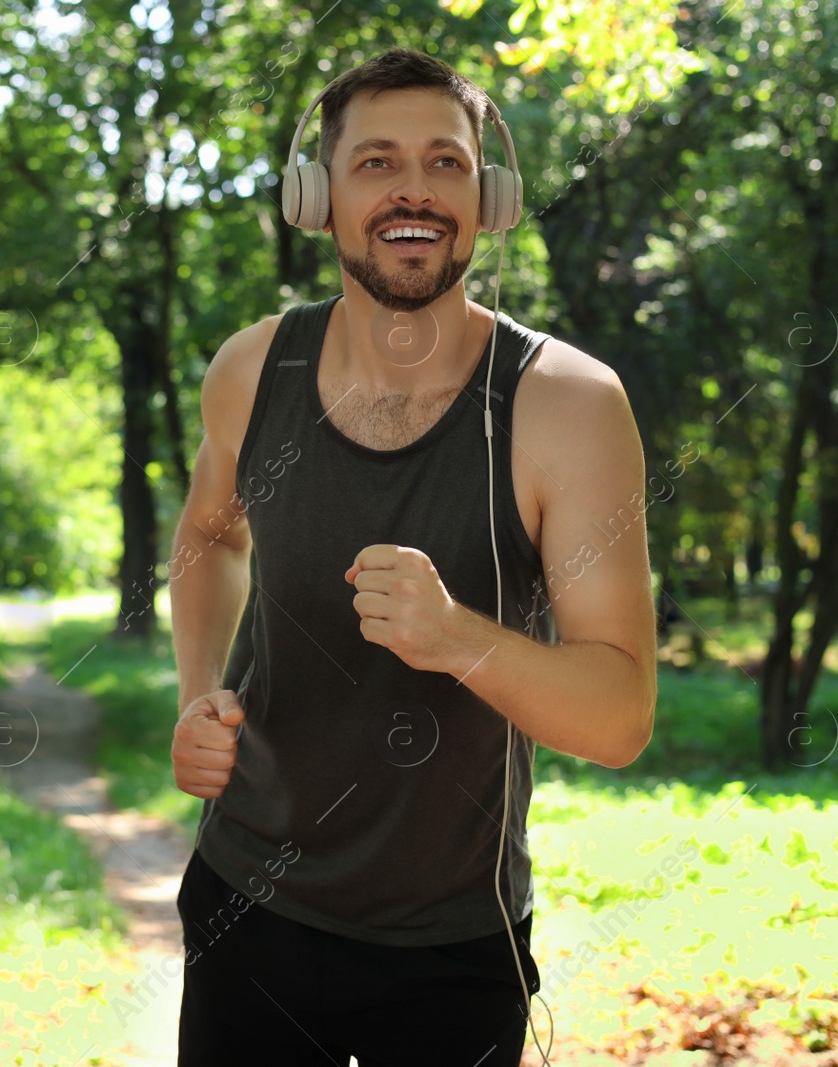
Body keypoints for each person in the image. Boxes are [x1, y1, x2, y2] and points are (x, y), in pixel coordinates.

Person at [166, 47, 658, 1065]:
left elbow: (618, 719)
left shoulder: (567, 404)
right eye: (376, 162)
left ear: (490, 196)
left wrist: (457, 639)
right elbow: (210, 534)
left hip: (452, 943)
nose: (413, 190)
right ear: (318, 196)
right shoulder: (253, 369)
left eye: (444, 162)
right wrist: (195, 691)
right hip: (245, 904)